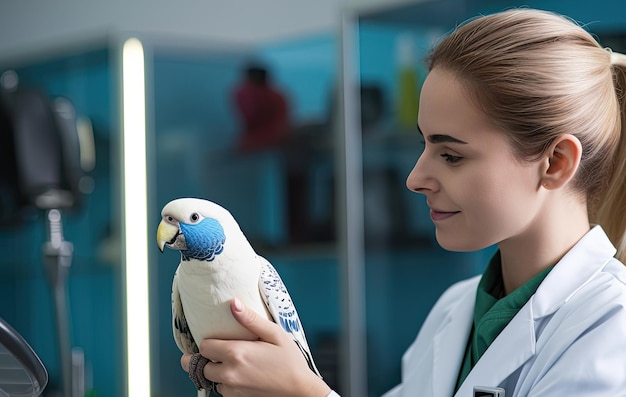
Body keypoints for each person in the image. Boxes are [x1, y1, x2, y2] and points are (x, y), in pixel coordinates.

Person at [180, 8, 626, 396]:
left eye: (450, 154)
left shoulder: (612, 329)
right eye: (423, 146)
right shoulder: (455, 310)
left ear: (555, 162)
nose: (415, 178)